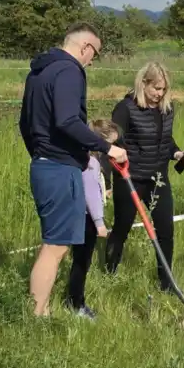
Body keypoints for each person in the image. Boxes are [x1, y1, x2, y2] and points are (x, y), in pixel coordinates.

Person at [19, 23, 127, 318]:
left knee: (55, 244)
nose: (93, 61)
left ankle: (41, 309)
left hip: (43, 165)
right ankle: (37, 315)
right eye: (95, 54)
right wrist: (108, 148)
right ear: (85, 48)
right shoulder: (69, 71)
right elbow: (68, 121)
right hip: (59, 169)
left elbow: (24, 124)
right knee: (55, 247)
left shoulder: (39, 72)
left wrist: (41, 154)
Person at [105, 61, 184, 289]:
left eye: (163, 89)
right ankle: (108, 274)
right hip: (130, 178)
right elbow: (111, 143)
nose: (159, 94)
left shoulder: (167, 108)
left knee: (166, 230)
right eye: (156, 88)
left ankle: (167, 283)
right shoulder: (125, 108)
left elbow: (165, 141)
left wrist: (177, 153)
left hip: (158, 178)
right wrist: (108, 178)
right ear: (144, 84)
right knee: (122, 227)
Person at [66, 118, 118, 320]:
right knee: (81, 262)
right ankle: (76, 304)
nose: (111, 148)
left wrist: (103, 192)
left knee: (78, 260)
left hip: (81, 215)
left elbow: (90, 190)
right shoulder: (92, 162)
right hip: (87, 219)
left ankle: (74, 300)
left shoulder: (83, 158)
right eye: (111, 143)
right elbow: (90, 195)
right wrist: (99, 223)